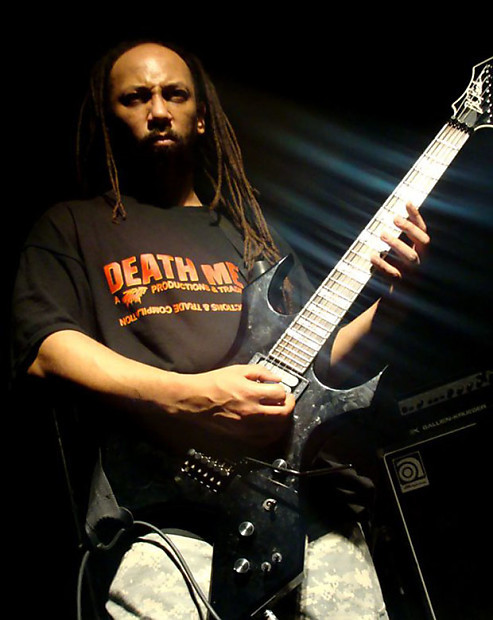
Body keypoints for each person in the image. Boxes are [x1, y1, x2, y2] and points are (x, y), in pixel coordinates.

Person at [12, 40, 429, 619]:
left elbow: (319, 364)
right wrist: (193, 397)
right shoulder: (72, 227)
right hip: (165, 521)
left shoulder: (251, 233)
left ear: (202, 115)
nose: (159, 110)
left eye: (175, 94)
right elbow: (48, 349)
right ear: (109, 118)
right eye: (135, 97)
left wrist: (397, 299)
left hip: (303, 514)